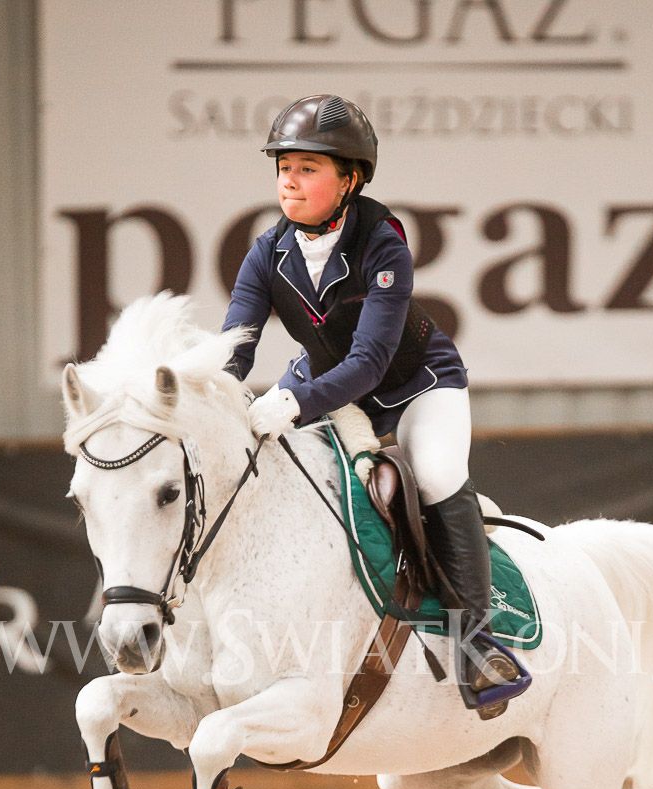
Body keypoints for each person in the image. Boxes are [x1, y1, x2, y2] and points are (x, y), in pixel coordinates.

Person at [222, 93, 526, 718]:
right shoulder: (266, 253)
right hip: (325, 386)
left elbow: (369, 362)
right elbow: (236, 348)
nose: (289, 181)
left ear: (350, 180)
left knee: (435, 474)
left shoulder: (383, 243)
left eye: (308, 168)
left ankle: (478, 646)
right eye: (284, 167)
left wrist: (294, 404)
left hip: (416, 385)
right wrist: (208, 394)